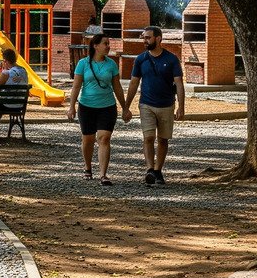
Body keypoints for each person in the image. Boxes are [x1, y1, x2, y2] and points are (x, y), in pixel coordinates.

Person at [124, 26, 185, 186]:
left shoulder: (172, 59)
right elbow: (134, 83)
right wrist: (126, 106)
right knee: (148, 137)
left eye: (148, 37)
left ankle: (158, 170)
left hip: (167, 105)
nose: (145, 40)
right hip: (146, 104)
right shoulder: (140, 59)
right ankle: (150, 169)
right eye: (144, 37)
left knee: (163, 140)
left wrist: (181, 106)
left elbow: (178, 83)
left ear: (158, 39)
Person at [67, 34, 125, 185]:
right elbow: (76, 86)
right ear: (95, 45)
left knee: (104, 138)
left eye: (109, 43)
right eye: (105, 43)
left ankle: (103, 174)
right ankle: (87, 167)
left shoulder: (111, 64)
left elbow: (117, 87)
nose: (108, 46)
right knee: (88, 139)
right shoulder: (83, 63)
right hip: (86, 106)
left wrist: (125, 107)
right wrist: (71, 106)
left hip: (107, 106)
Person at [0, 48, 29, 137]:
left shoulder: (6, 73)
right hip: (20, 105)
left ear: (5, 61)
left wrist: (3, 70)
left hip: (7, 105)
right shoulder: (24, 71)